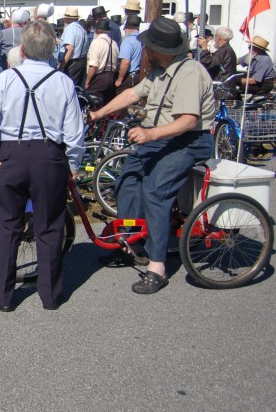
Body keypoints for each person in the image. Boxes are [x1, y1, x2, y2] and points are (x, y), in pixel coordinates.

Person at [89, 17, 215, 295]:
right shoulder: (160, 71)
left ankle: (157, 264)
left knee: (156, 190)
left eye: (149, 47)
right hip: (159, 140)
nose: (145, 50)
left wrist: (149, 134)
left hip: (188, 141)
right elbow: (133, 94)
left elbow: (188, 121)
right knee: (126, 181)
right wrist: (98, 113)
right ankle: (131, 243)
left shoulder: (190, 72)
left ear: (163, 50)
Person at [0, 20, 85, 311]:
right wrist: (73, 164)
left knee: (9, 227)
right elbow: (74, 133)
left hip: (13, 154)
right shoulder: (63, 81)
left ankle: (3, 295)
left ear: (22, 49)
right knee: (49, 227)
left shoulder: (7, 79)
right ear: (52, 50)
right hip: (49, 156)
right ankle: (50, 294)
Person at [85, 18, 119, 104]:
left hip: (99, 77)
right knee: (106, 104)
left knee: (92, 104)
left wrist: (87, 81)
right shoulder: (114, 43)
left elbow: (93, 65)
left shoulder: (96, 42)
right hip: (111, 76)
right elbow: (116, 63)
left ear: (97, 30)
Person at [59, 7, 88, 86]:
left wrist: (62, 66)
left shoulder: (71, 29)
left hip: (72, 62)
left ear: (68, 18)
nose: (64, 19)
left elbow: (69, 49)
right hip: (81, 61)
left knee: (68, 86)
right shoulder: (82, 29)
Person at [115, 15, 143, 93]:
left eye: (125, 28)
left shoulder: (128, 41)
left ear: (130, 28)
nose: (124, 30)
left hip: (130, 76)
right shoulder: (143, 40)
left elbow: (125, 62)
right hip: (140, 75)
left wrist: (119, 80)